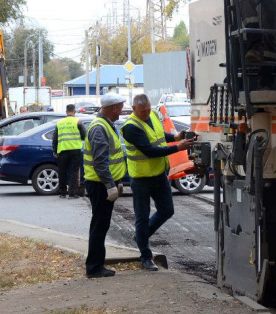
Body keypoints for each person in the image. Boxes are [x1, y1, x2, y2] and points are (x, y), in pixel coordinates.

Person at [121, 94, 194, 271]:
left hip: (159, 174)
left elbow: (159, 136)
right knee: (142, 216)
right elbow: (150, 150)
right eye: (142, 112)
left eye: (148, 110)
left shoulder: (153, 115)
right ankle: (146, 257)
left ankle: (141, 236)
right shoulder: (130, 127)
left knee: (167, 210)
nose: (146, 114)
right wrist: (178, 147)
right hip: (141, 178)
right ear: (134, 109)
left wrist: (175, 137)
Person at [83, 93, 127, 278]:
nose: (122, 110)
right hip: (100, 185)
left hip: (103, 183)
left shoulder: (106, 125)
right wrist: (110, 185)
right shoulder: (100, 128)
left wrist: (117, 181)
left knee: (101, 224)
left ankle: (96, 265)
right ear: (113, 108)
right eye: (120, 107)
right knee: (100, 225)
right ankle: (94, 267)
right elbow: (100, 162)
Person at [52, 104, 86, 199]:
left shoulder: (59, 123)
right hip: (75, 150)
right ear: (74, 112)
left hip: (62, 150)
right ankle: (72, 193)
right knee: (73, 172)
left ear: (66, 112)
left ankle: (62, 193)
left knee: (62, 172)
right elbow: (84, 135)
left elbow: (55, 138)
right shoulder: (78, 121)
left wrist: (55, 150)